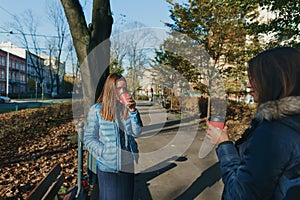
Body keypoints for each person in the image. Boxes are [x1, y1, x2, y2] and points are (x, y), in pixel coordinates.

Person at [206, 47, 300, 199]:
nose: (249, 85)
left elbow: (240, 195)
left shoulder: (274, 133)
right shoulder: (291, 123)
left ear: (274, 80)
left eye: (254, 78)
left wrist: (223, 144)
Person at [84, 73, 143, 200]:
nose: (122, 92)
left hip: (128, 164)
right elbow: (88, 138)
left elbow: (137, 132)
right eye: (119, 88)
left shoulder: (126, 108)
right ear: (110, 89)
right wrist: (104, 153)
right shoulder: (97, 110)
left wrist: (133, 112)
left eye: (124, 88)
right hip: (109, 169)